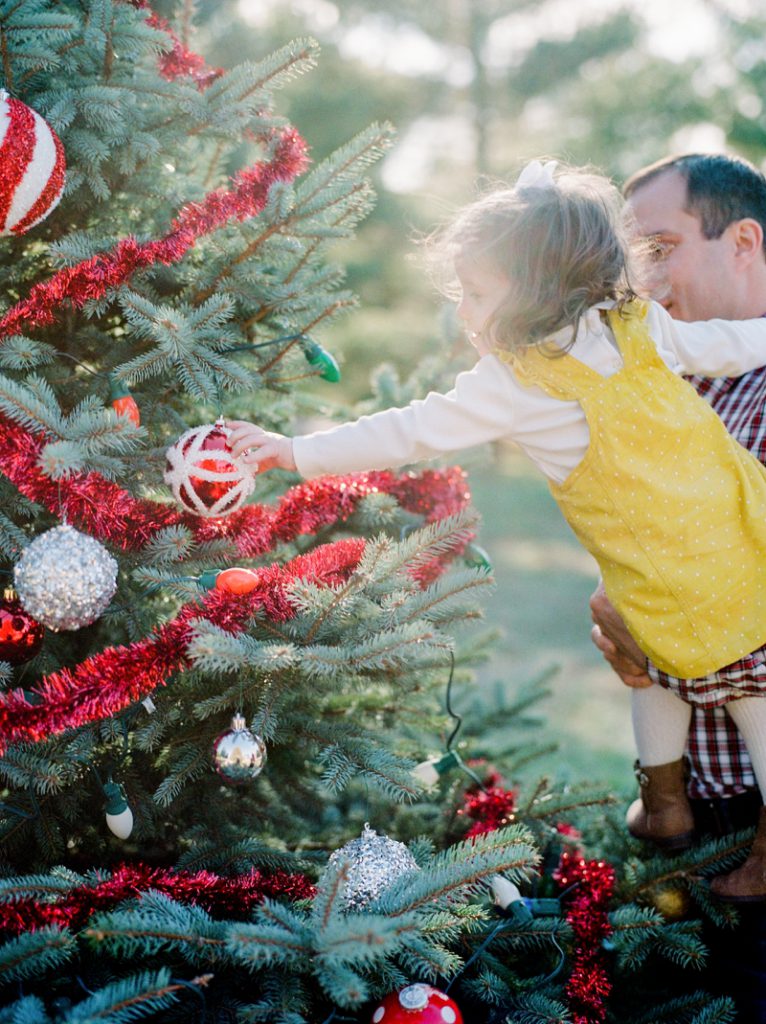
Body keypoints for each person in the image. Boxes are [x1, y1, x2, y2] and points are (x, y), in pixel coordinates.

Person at [226, 158, 766, 900]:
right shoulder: (642, 329)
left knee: (672, 671)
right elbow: (734, 347)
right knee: (732, 685)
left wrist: (291, 452)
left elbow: (406, 431)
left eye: (475, 293)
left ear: (536, 285)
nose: (465, 312)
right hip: (733, 541)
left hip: (662, 573)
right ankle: (669, 804)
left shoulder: (512, 383)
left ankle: (665, 802)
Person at [590, 153, 766, 841]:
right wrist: (614, 601)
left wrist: (663, 625)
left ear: (744, 242)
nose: (647, 284)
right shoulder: (675, 385)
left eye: (662, 250)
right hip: (696, 802)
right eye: (636, 261)